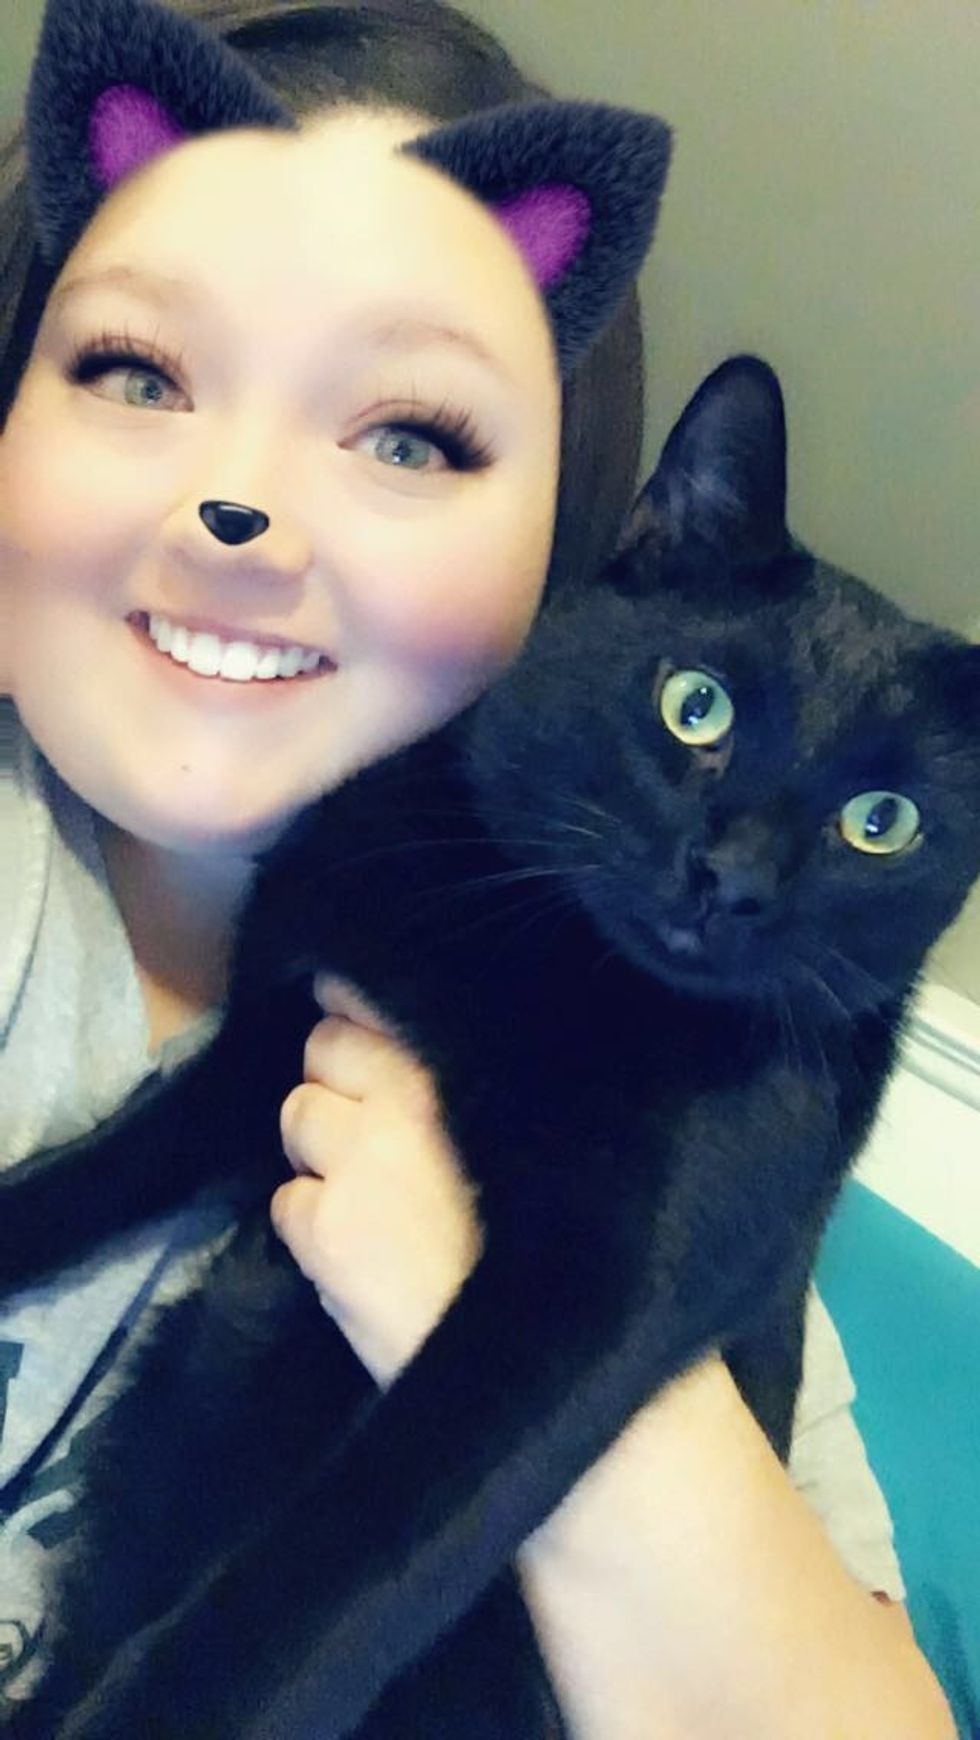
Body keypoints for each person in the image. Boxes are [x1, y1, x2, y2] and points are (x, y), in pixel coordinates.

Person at [0, 0, 954, 1731]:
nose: (245, 510)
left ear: (574, 544)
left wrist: (529, 1324)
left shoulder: (716, 1080)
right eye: (140, 371)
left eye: (409, 435)